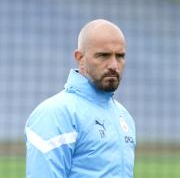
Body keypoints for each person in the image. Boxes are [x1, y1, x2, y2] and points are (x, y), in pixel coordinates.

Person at [25, 19, 136, 178]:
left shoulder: (124, 116)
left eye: (120, 56)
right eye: (103, 55)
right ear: (80, 58)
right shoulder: (55, 114)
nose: (114, 65)